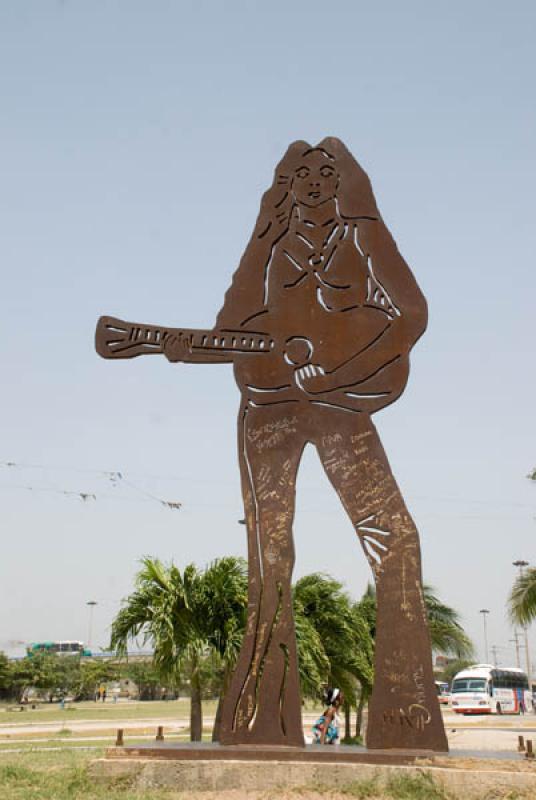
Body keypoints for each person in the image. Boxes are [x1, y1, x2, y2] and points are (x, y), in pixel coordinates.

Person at [165, 138, 447, 751]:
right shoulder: (269, 244)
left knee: (395, 538)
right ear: (285, 185)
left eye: (326, 171)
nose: (314, 181)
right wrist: (196, 340)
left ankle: (407, 718)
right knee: (271, 558)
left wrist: (340, 376)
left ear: (346, 180)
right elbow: (229, 329)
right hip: (268, 410)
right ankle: (261, 721)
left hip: (343, 406)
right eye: (300, 173)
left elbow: (412, 315)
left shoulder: (365, 236)